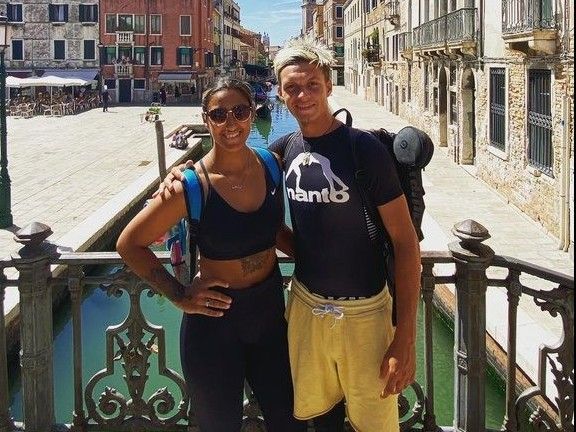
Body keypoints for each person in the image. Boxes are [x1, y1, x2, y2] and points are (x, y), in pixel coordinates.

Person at [160, 38, 421, 432]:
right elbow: (239, 177)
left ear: (329, 85)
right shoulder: (282, 150)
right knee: (320, 420)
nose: (303, 95)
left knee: (376, 424)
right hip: (306, 310)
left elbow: (405, 242)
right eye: (292, 88)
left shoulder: (364, 150)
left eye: (312, 85)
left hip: (366, 314)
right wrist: (183, 175)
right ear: (280, 94)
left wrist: (405, 337)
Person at [117, 78, 305, 432]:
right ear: (206, 120)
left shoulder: (271, 165)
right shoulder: (190, 185)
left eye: (240, 111)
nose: (230, 122)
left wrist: (320, 263)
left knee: (290, 422)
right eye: (219, 114)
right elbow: (129, 244)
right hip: (214, 324)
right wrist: (178, 295)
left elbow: (273, 230)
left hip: (269, 316)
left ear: (253, 114)